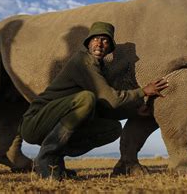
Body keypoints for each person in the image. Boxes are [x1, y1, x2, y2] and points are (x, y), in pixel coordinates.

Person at [20, 21, 168, 180]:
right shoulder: (82, 60)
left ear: (109, 47)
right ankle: (45, 159)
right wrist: (143, 91)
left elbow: (104, 107)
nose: (100, 43)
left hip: (53, 123)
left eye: (105, 40)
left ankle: (55, 162)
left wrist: (134, 110)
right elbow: (111, 99)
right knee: (86, 99)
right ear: (89, 43)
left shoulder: (99, 68)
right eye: (96, 39)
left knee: (113, 128)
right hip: (34, 122)